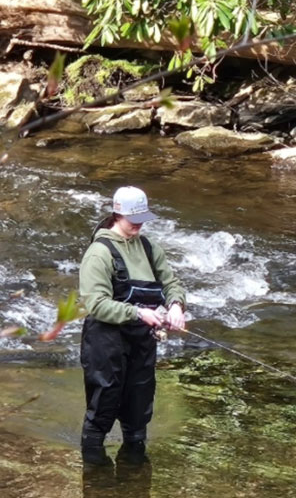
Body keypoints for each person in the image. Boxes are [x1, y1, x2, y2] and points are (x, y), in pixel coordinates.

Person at [79, 186, 186, 461]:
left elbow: (172, 283)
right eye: (133, 220)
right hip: (105, 340)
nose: (139, 225)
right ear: (117, 215)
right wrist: (138, 313)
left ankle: (136, 469)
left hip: (142, 340)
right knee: (104, 405)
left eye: (142, 219)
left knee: (139, 407)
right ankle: (94, 472)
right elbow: (96, 304)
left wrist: (175, 306)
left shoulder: (150, 248)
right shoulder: (99, 253)